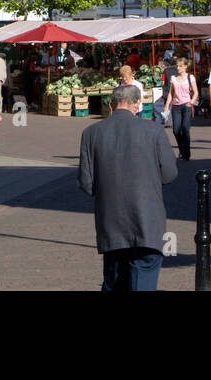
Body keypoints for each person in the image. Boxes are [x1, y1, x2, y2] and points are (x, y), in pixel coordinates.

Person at [78, 83, 178, 291]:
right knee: (143, 278)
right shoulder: (153, 130)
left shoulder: (91, 133)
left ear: (111, 105)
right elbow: (169, 174)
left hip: (111, 223)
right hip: (147, 222)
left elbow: (87, 184)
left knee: (114, 281)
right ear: (137, 104)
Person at [161, 58, 199, 160]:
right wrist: (166, 106)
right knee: (176, 130)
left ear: (186, 66)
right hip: (176, 106)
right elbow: (171, 93)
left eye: (180, 66)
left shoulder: (190, 78)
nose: (178, 68)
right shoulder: (173, 78)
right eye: (177, 66)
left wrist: (191, 102)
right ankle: (182, 149)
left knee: (185, 129)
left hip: (186, 105)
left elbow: (196, 92)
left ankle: (186, 153)